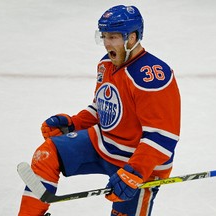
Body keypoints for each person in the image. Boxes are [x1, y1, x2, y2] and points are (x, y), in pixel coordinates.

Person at [18, 5, 180, 216]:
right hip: (104, 145)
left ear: (131, 38)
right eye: (104, 36)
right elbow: (101, 108)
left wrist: (135, 171)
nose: (106, 44)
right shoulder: (106, 64)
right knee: (47, 154)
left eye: (113, 37)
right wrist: (74, 123)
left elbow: (162, 137)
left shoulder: (151, 76)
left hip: (140, 164)